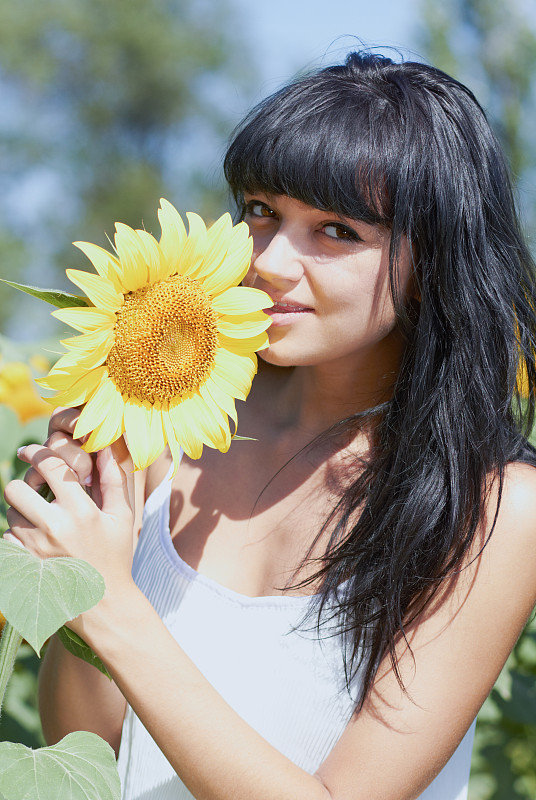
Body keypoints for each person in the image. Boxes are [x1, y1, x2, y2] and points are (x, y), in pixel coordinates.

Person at [4, 51, 536, 800]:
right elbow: (87, 753)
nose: (273, 261)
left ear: (434, 262)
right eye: (261, 211)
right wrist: (83, 561)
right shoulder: (174, 422)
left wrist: (110, 604)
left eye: (337, 231)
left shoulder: (492, 508)